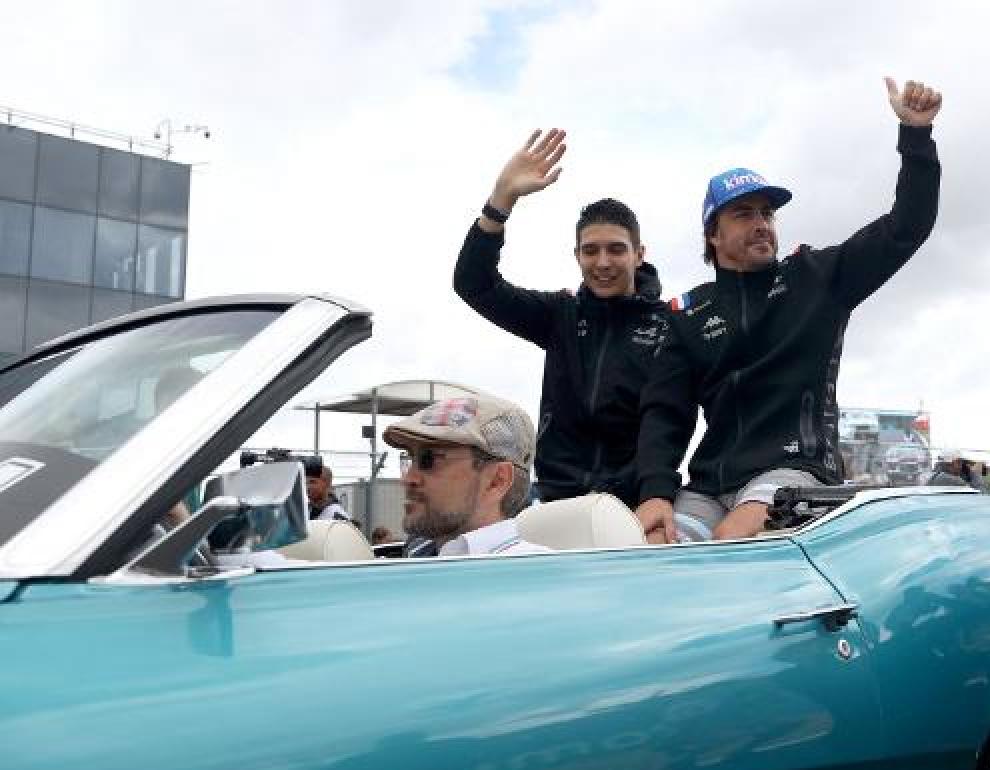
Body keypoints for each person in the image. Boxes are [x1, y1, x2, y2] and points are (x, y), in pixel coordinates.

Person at [635, 77, 942, 542]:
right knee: (654, 546)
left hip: (796, 470)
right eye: (744, 214)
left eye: (767, 214)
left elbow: (907, 227)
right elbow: (665, 413)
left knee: (731, 540)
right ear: (713, 236)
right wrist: (655, 491)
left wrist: (916, 136)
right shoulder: (688, 314)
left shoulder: (818, 276)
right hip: (710, 485)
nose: (761, 224)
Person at [453, 129, 668, 508]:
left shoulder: (671, 327)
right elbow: (474, 285)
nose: (602, 262)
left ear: (639, 254)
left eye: (616, 249)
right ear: (577, 256)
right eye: (591, 251)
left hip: (637, 504)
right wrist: (501, 200)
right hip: (556, 501)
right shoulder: (559, 315)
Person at [382, 394, 549, 557]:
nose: (408, 479)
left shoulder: (539, 577)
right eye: (409, 458)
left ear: (497, 481)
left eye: (428, 460)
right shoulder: (415, 560)